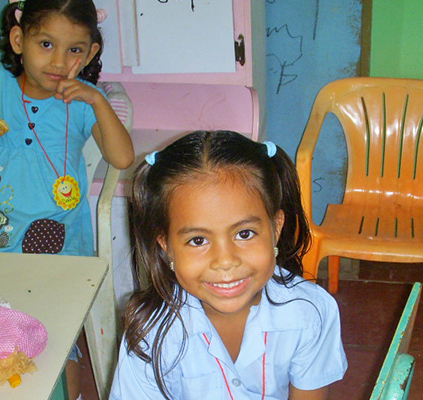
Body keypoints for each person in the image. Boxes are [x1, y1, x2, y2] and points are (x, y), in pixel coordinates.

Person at [0, 0, 134, 399]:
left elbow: (121, 158)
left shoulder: (85, 102)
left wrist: (98, 101)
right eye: (46, 44)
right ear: (19, 41)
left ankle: (66, 375)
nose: (58, 61)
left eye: (74, 51)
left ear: (88, 54)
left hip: (60, 243)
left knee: (54, 336)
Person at [110, 131, 347, 400]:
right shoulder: (151, 331)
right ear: (166, 246)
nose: (225, 261)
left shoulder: (311, 312)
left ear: (276, 228)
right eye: (198, 240)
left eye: (244, 234)